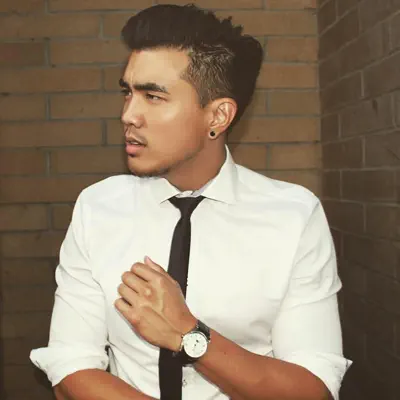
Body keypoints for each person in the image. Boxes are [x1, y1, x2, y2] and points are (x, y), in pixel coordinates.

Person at [30, 4, 351, 400]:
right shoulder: (97, 207)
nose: (129, 114)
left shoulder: (294, 216)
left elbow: (313, 389)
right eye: (128, 92)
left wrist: (189, 335)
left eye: (153, 96)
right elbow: (70, 366)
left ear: (218, 116)